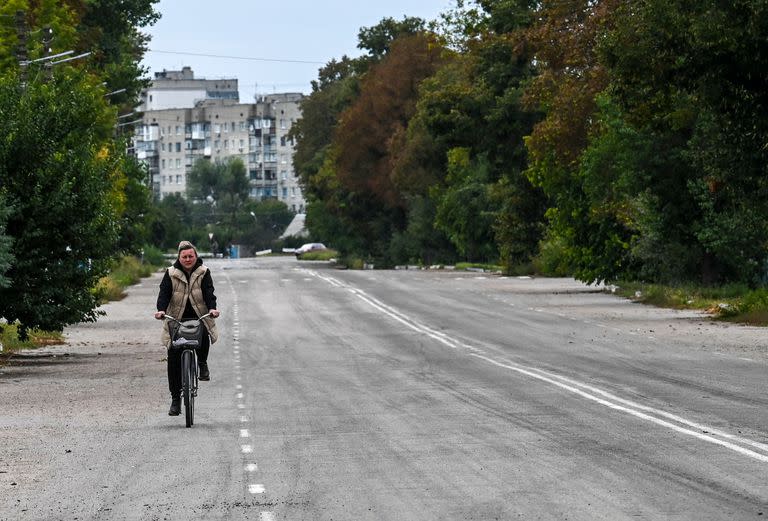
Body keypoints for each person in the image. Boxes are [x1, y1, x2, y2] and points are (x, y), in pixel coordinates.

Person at [154, 241, 220, 416]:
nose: (188, 259)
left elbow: (209, 292)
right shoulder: (170, 273)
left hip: (199, 315)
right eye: (184, 256)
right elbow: (164, 293)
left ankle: (203, 363)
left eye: (191, 256)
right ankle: (176, 400)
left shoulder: (204, 272)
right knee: (173, 358)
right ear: (179, 257)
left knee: (204, 330)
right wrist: (160, 310)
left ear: (196, 256)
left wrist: (212, 308)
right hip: (176, 318)